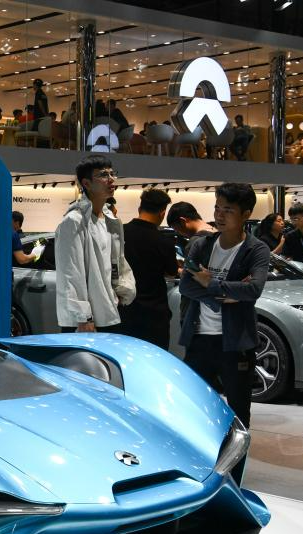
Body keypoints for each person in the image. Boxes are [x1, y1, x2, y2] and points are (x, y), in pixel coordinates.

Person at [178, 183, 269, 428]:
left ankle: (236, 452)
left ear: (246, 214)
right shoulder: (201, 245)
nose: (219, 215)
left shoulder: (255, 249)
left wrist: (210, 282)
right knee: (195, 408)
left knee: (238, 412)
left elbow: (253, 289)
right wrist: (222, 297)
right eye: (217, 208)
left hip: (236, 343)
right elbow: (186, 286)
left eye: (228, 210)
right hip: (199, 338)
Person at [54, 155, 135, 333]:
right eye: (104, 175)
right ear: (87, 183)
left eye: (112, 173)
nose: (111, 179)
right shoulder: (74, 221)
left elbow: (117, 263)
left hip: (109, 310)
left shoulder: (111, 220)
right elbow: (71, 272)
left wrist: (122, 291)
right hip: (86, 321)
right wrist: (84, 317)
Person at [119, 189, 178, 349]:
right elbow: (171, 272)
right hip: (154, 315)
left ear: (140, 208)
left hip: (122, 311)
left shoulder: (119, 233)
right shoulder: (164, 242)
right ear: (162, 213)